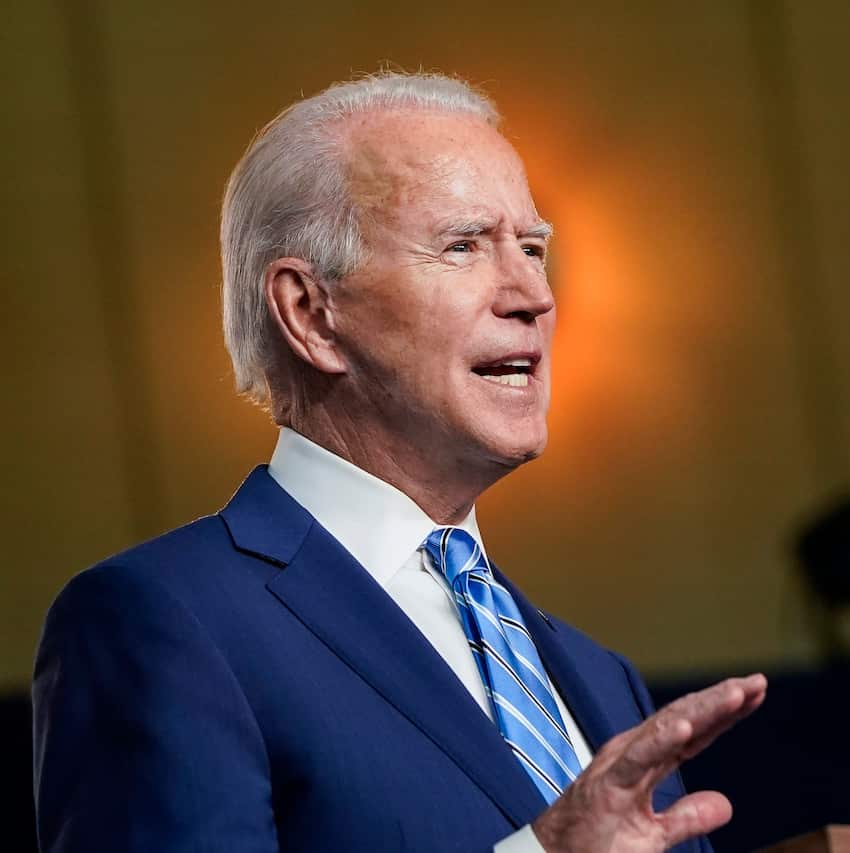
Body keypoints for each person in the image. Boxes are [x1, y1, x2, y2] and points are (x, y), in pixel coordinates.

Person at [32, 72, 767, 853]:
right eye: (464, 246)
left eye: (532, 248)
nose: (533, 295)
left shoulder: (605, 679)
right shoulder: (163, 621)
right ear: (311, 314)